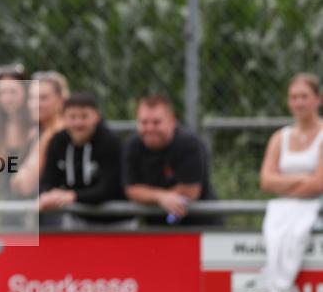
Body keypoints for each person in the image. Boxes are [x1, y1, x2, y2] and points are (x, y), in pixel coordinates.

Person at [259, 73, 323, 292]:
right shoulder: (280, 137)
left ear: (318, 99)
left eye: (304, 96)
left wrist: (284, 183)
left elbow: (319, 183)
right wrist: (303, 179)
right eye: (293, 97)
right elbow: (266, 180)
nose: (298, 103)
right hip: (281, 212)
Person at [121, 94, 219, 226]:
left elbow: (190, 191)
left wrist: (148, 194)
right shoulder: (132, 145)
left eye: (156, 122)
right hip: (155, 228)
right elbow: (131, 190)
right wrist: (161, 197)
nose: (150, 128)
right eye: (144, 122)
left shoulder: (189, 144)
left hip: (199, 227)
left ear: (172, 122)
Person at [38, 93, 129, 227]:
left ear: (96, 116)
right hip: (76, 220)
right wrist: (49, 195)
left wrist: (72, 196)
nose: (78, 123)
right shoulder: (58, 142)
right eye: (72, 117)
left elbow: (108, 188)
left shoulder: (111, 142)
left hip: (116, 223)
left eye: (84, 116)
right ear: (63, 118)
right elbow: (47, 181)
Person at [0, 65, 37, 229]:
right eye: (1, 93)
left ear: (25, 92)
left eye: (13, 92)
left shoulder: (36, 129)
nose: (7, 98)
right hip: (8, 211)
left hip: (36, 208)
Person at [10, 70, 69, 197]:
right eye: (32, 98)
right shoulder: (37, 133)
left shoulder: (57, 134)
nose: (35, 104)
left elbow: (25, 185)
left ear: (60, 100)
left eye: (43, 98)